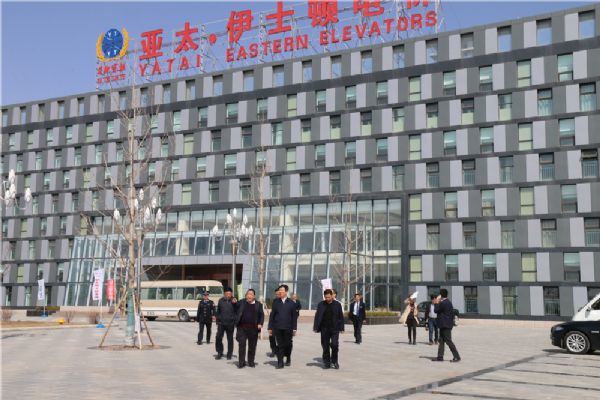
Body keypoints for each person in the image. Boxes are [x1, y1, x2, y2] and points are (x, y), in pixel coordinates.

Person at [268, 284, 297, 369]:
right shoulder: (275, 302)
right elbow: (272, 315)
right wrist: (270, 327)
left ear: (286, 291)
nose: (280, 292)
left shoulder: (291, 303)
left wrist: (294, 328)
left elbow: (294, 317)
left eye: (282, 290)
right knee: (280, 345)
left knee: (288, 344)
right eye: (279, 290)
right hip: (278, 327)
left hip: (288, 328)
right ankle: (280, 362)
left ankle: (288, 357)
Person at [313, 289, 344, 369]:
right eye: (326, 297)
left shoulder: (337, 304)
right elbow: (317, 316)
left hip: (334, 328)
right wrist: (315, 327)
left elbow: (340, 316)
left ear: (332, 295)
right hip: (324, 328)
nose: (327, 299)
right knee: (325, 345)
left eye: (329, 297)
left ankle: (334, 361)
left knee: (334, 345)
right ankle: (327, 362)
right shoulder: (321, 304)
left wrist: (342, 328)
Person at [235, 289, 264, 368]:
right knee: (242, 345)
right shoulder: (242, 302)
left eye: (251, 294)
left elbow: (261, 315)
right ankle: (241, 362)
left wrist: (260, 323)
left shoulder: (258, 304)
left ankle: (251, 362)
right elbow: (235, 304)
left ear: (254, 296)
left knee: (252, 346)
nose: (249, 296)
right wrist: (233, 300)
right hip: (242, 328)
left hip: (253, 329)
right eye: (248, 294)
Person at [432, 288, 461, 362]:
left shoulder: (443, 303)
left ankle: (457, 357)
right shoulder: (448, 302)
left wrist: (436, 303)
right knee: (441, 340)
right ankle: (440, 357)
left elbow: (436, 310)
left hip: (445, 325)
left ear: (441, 295)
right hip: (445, 324)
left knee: (448, 341)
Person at [215, 287, 238, 360]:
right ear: (224, 294)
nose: (228, 295)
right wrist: (217, 320)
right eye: (227, 293)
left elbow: (237, 310)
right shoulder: (221, 300)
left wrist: (235, 303)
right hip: (221, 323)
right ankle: (219, 352)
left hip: (230, 323)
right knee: (218, 337)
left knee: (230, 339)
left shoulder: (234, 300)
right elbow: (218, 311)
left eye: (230, 294)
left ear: (231, 294)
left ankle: (229, 354)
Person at [267, 288, 279, 358]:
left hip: (281, 323)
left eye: (278, 294)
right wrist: (269, 326)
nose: (277, 295)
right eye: (276, 294)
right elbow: (272, 313)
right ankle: (273, 350)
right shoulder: (275, 301)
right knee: (272, 337)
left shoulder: (286, 302)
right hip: (274, 323)